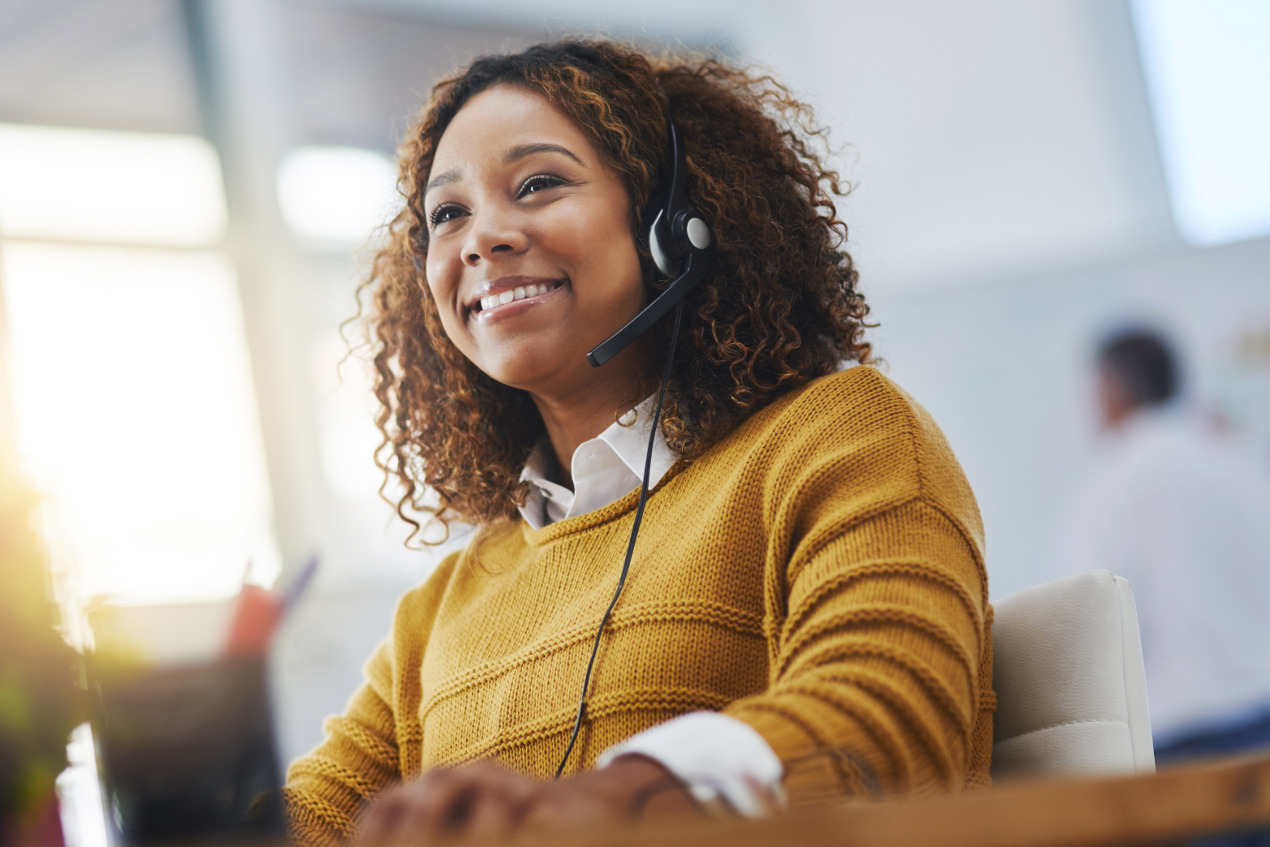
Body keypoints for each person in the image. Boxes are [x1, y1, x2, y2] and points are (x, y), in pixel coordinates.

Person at [284, 40, 993, 846]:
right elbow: (312, 819)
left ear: (675, 224)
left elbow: (890, 724)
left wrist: (621, 800)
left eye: (539, 183)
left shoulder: (837, 435)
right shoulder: (444, 604)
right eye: (449, 214)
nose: (484, 237)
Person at [1060, 328, 1270, 767]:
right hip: (1259, 717)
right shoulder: (1232, 459)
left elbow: (1095, 629)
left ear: (1110, 389)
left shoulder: (1108, 483)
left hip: (1181, 740)